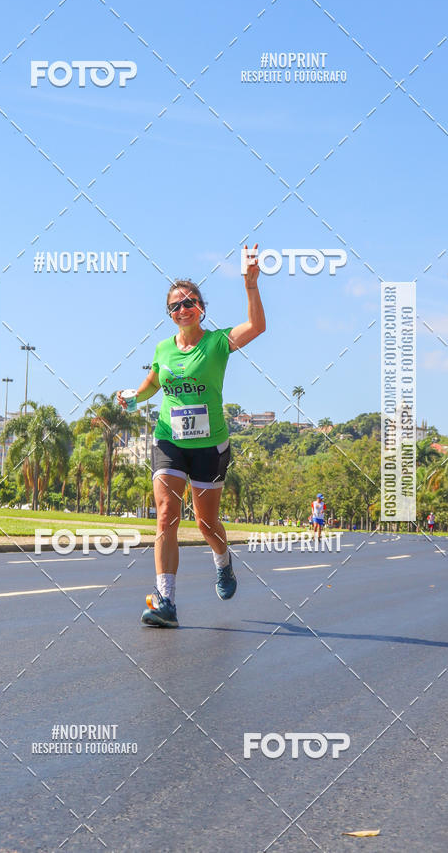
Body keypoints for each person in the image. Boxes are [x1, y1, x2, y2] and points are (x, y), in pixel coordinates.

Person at [117, 246, 265, 627]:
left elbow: (256, 327)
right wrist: (134, 397)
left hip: (208, 446)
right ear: (169, 314)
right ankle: (166, 601)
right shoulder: (163, 348)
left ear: (201, 308)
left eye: (188, 303)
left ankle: (223, 560)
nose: (182, 310)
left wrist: (250, 286)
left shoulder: (217, 343)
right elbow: (154, 383)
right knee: (166, 514)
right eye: (175, 306)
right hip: (169, 439)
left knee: (205, 523)